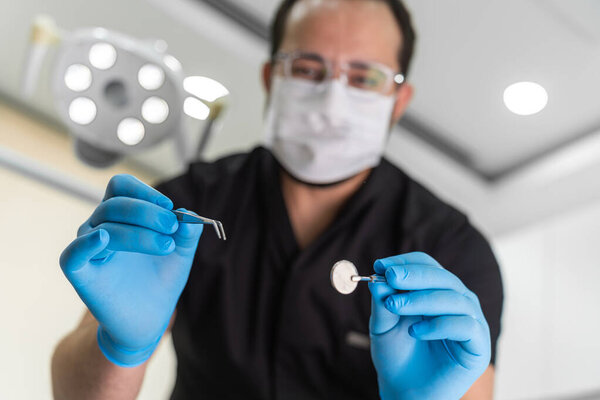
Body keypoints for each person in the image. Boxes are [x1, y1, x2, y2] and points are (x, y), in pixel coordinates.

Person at [51, 0, 503, 399]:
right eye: (308, 68)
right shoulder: (187, 205)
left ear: (399, 100)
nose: (332, 99)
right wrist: (119, 347)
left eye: (365, 77)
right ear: (272, 77)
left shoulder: (452, 249)